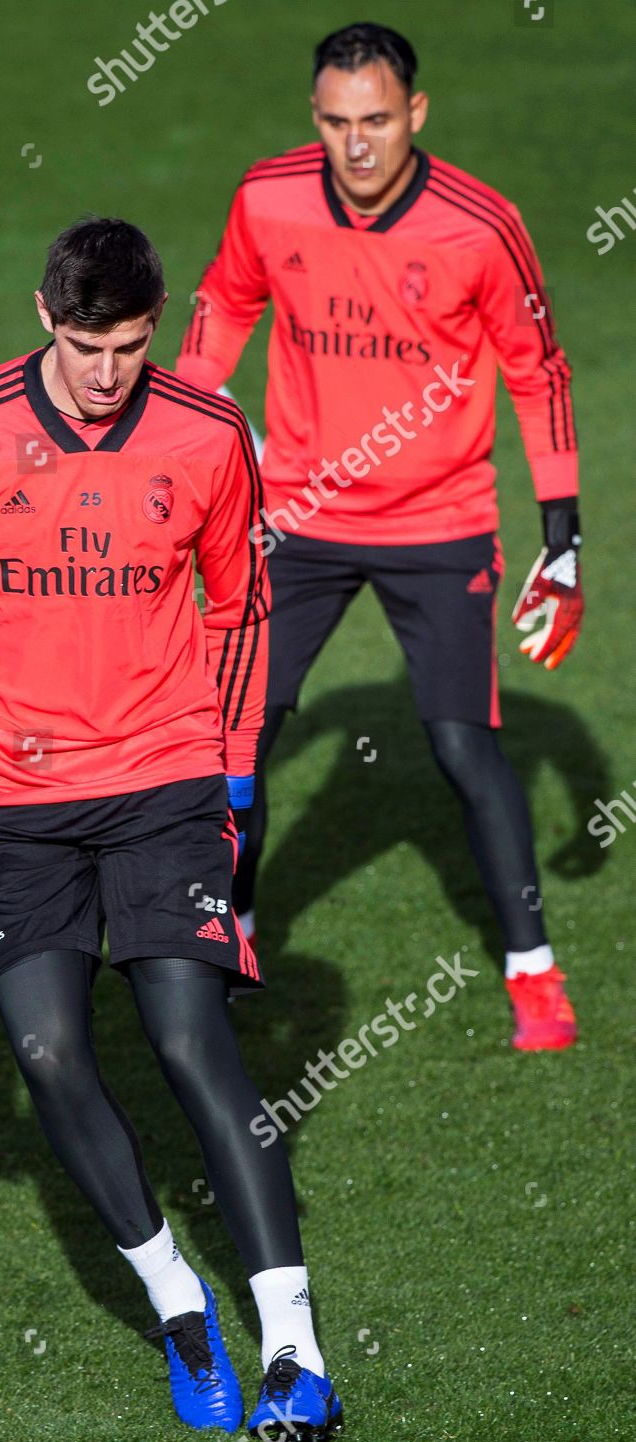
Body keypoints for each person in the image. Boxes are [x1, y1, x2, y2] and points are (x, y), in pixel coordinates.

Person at [0, 218, 342, 1442]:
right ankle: (179, 1305)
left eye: (129, 345)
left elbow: (240, 606)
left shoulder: (209, 432)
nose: (106, 372)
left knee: (188, 1042)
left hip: (163, 778)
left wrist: (232, 781)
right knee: (54, 1055)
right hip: (4, 800)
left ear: (156, 326)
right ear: (42, 317)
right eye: (84, 344)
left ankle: (294, 1342)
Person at [177, 21, 582, 1050]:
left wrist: (562, 533)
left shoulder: (479, 226)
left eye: (375, 121)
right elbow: (225, 304)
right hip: (298, 520)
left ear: (414, 115)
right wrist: (184, 426)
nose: (356, 145)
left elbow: (538, 371)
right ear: (314, 119)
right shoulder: (268, 198)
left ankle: (531, 970)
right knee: (242, 734)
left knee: (460, 745)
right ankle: (240, 932)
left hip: (440, 523)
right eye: (334, 123)